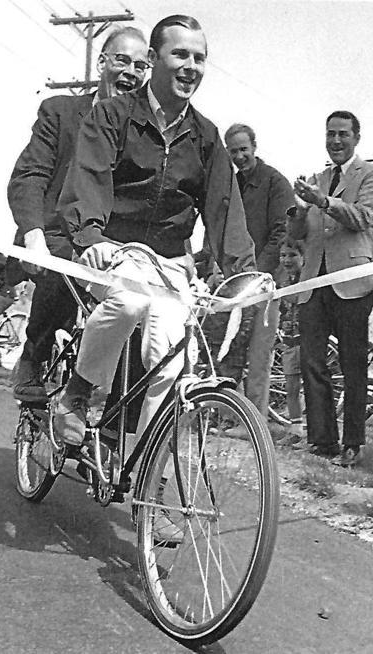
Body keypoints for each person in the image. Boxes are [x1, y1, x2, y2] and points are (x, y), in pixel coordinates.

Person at [54, 14, 256, 448]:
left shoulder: (205, 136)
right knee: (128, 301)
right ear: (153, 58)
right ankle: (77, 394)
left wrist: (243, 272)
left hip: (168, 264)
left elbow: (223, 208)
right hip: (113, 251)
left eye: (199, 58)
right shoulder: (112, 115)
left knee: (171, 357)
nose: (191, 66)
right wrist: (91, 238)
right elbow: (88, 177)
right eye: (180, 54)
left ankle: (151, 472)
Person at [7, 26, 149, 403]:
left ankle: (111, 435)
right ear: (102, 62)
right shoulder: (61, 112)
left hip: (111, 243)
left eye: (140, 65)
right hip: (57, 235)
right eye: (122, 60)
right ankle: (34, 356)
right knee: (62, 266)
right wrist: (33, 235)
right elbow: (30, 175)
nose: (130, 72)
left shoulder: (144, 133)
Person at [288, 110, 373, 466]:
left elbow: (362, 217)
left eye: (343, 134)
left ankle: (353, 442)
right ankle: (322, 440)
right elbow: (297, 237)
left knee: (352, 362)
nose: (335, 141)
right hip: (314, 283)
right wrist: (298, 210)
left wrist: (322, 201)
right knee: (313, 361)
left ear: (356, 138)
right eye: (330, 134)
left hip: (353, 284)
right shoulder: (318, 178)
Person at [222, 123, 293, 416]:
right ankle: (226, 414)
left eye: (244, 149)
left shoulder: (275, 182)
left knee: (259, 354)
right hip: (234, 280)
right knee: (229, 348)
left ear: (254, 146)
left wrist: (258, 272)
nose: (240, 156)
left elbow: (282, 233)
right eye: (233, 151)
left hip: (266, 282)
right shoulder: (230, 185)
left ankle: (254, 419)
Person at [274, 237, 305, 447]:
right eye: (283, 255)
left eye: (292, 255)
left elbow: (300, 299)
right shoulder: (284, 282)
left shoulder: (307, 281)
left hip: (307, 340)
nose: (286, 260)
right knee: (291, 388)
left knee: (310, 388)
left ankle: (313, 431)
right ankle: (295, 429)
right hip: (289, 341)